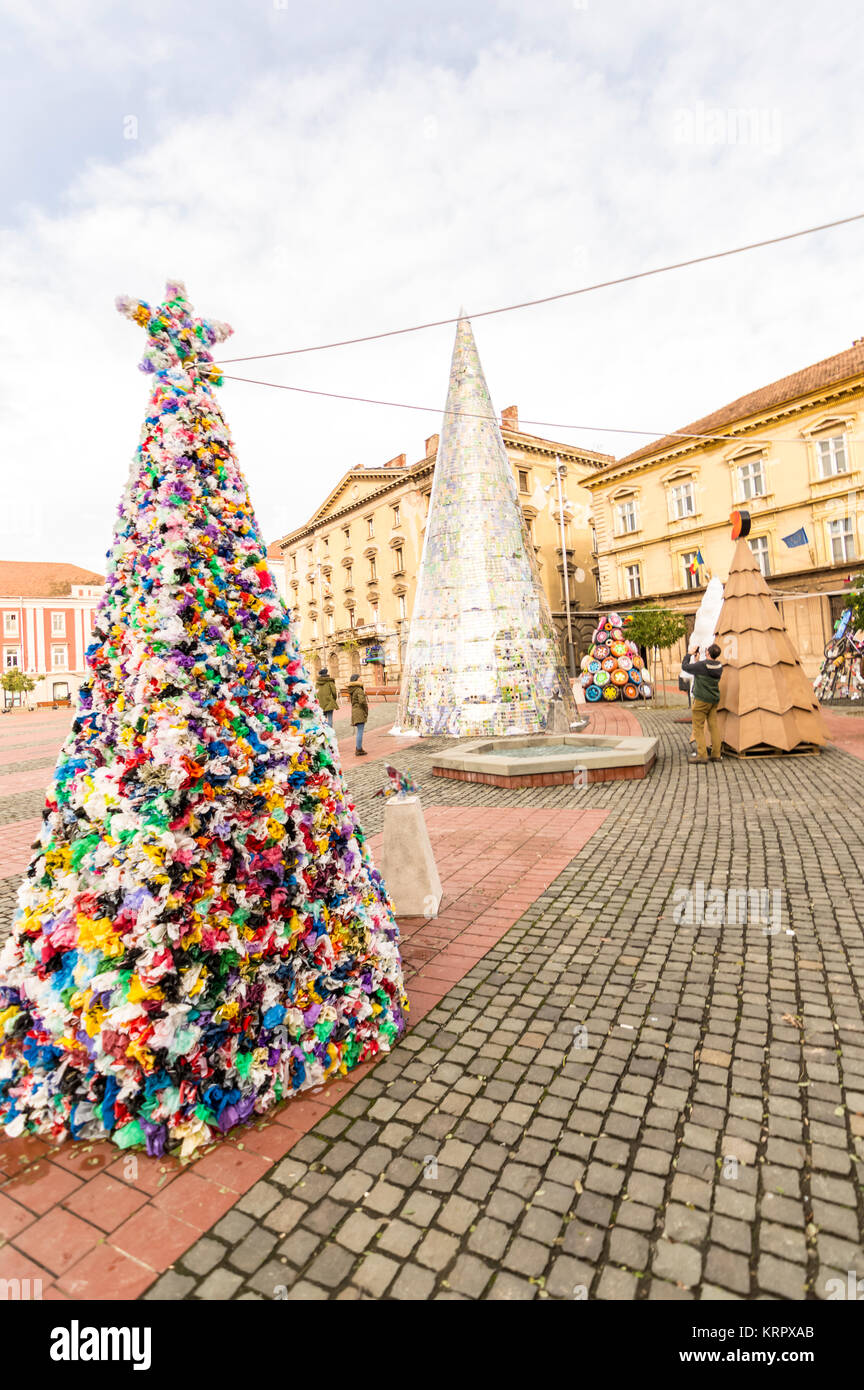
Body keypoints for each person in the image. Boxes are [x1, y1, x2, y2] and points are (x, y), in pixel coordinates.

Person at [681, 643, 724, 764]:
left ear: (708, 653)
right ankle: (716, 754)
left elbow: (685, 667)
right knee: (713, 726)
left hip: (701, 701)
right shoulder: (719, 666)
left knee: (698, 727)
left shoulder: (702, 665)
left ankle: (702, 755)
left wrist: (689, 654)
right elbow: (703, 671)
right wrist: (697, 662)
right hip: (713, 700)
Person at [347, 673, 369, 755]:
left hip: (355, 711)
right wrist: (366, 708)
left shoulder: (353, 689)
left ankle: (359, 748)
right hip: (359, 711)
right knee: (360, 731)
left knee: (359, 731)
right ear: (356, 679)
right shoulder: (359, 689)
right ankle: (359, 749)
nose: (361, 679)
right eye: (360, 678)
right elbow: (362, 701)